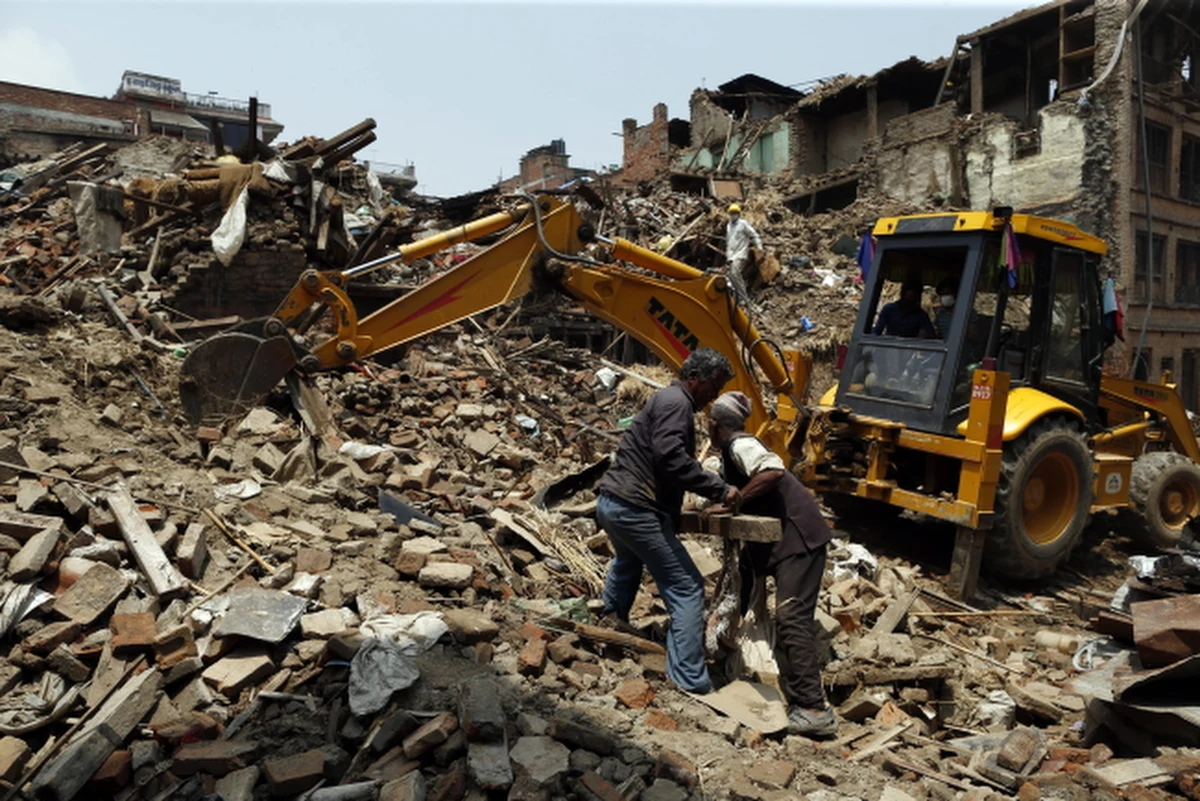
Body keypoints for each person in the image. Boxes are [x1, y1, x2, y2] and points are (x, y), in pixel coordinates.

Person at [595, 348, 742, 694]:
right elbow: (671, 458)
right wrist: (719, 489)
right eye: (713, 386)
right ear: (696, 379)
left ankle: (609, 628)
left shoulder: (667, 399)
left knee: (628, 562)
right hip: (635, 508)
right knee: (687, 588)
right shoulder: (677, 403)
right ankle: (690, 679)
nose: (714, 395)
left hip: (613, 502)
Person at [703, 391, 837, 737]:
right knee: (738, 595)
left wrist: (737, 501)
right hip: (771, 543)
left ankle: (813, 708)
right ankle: (724, 659)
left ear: (714, 424)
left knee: (792, 617)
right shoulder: (730, 454)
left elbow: (773, 470)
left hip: (797, 540)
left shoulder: (740, 445)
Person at [725, 204, 763, 309]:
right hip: (731, 255)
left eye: (734, 213)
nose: (732, 215)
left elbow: (754, 235)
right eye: (731, 213)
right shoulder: (728, 226)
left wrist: (759, 247)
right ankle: (738, 298)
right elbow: (728, 242)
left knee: (734, 273)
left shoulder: (743, 224)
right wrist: (727, 256)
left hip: (741, 254)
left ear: (738, 214)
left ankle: (743, 299)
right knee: (732, 277)